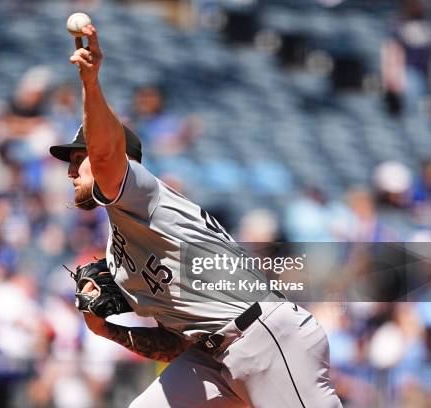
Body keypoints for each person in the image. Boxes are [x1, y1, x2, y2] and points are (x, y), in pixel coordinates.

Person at [49, 24, 342, 408]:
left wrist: (90, 83)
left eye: (78, 159)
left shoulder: (142, 192)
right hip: (211, 356)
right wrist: (109, 330)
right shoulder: (120, 260)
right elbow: (175, 345)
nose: (72, 171)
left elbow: (105, 156)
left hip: (265, 336)